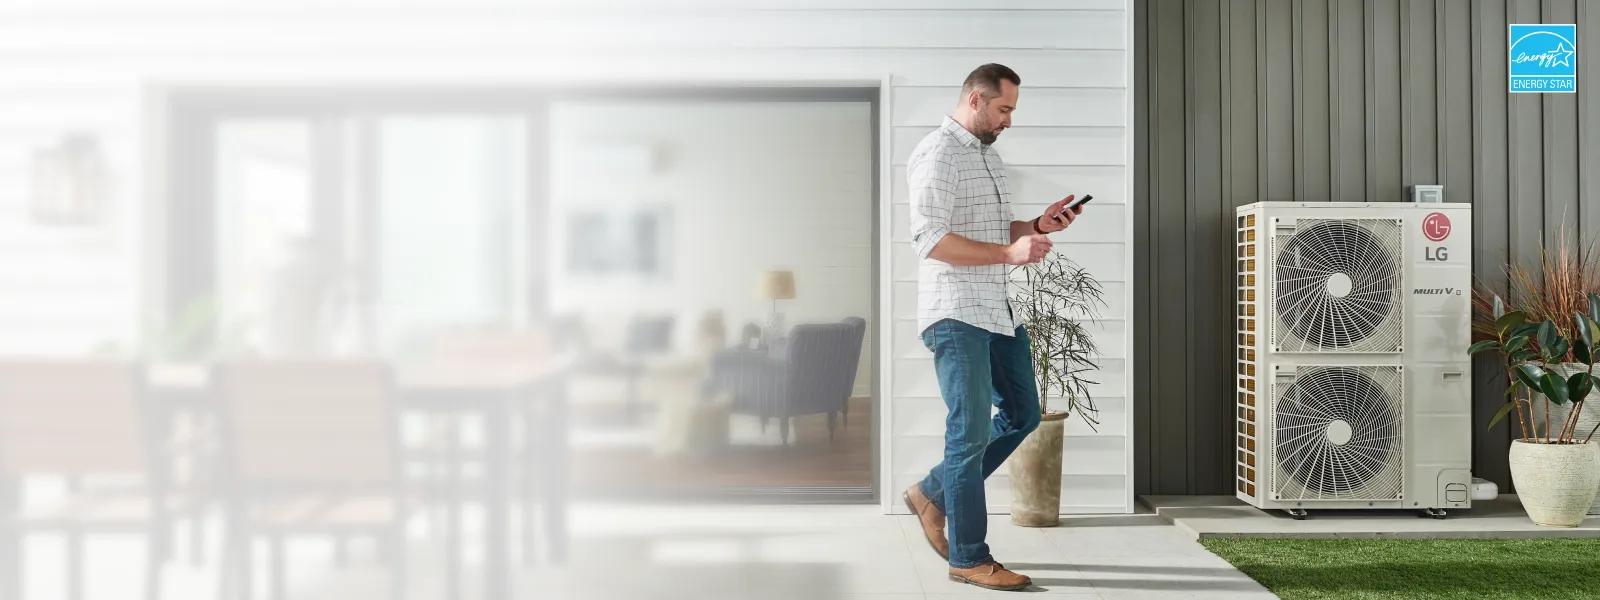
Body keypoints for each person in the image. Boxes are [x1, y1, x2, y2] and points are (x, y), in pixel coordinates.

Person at [900, 63, 1083, 592]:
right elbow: (930, 239)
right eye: (1004, 109)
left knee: (1024, 413)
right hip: (955, 312)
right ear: (976, 100)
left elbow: (983, 229)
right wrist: (1009, 252)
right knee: (970, 430)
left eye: (1012, 111)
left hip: (996, 310)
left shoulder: (988, 156)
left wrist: (1034, 228)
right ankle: (969, 557)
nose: (1009, 120)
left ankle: (931, 493)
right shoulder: (937, 154)